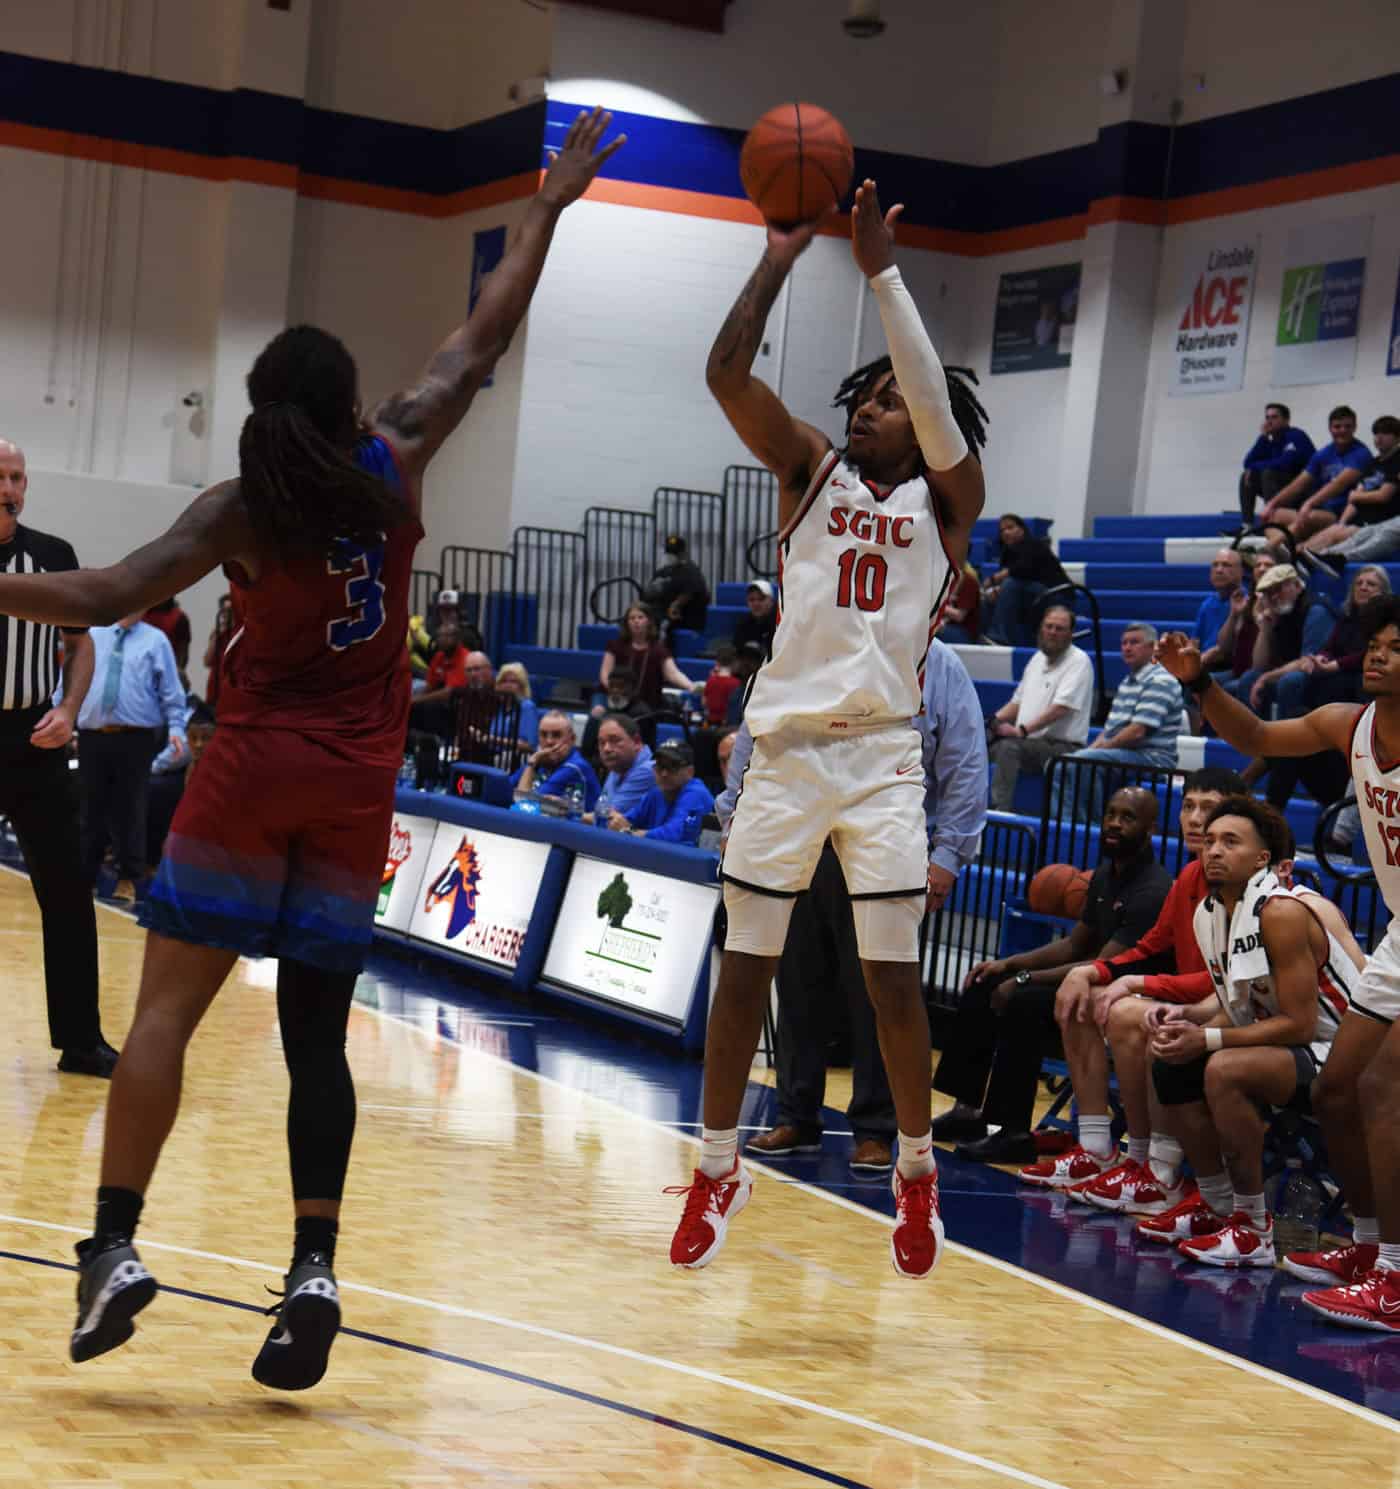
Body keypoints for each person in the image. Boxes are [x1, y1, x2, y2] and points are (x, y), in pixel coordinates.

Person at [0, 110, 623, 1384]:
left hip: (247, 769)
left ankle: (115, 1245)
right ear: (347, 401)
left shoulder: (240, 505)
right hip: (352, 789)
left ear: (255, 407)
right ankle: (313, 1267)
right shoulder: (393, 458)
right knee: (315, 1037)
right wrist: (546, 208)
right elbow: (481, 336)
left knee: (165, 1012)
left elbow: (104, 591)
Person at [668, 177, 988, 1278]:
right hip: (785, 755)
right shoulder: (807, 471)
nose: (868, 407)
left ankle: (912, 1172)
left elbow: (938, 416)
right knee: (742, 968)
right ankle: (716, 1167)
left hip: (880, 758)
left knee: (889, 975)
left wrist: (881, 272)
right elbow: (720, 374)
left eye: (888, 399)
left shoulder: (948, 504)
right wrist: (775, 254)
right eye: (860, 396)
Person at [1155, 599, 1400, 1329]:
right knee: (1338, 1089)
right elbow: (1256, 733)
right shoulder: (1346, 724)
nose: (1378, 654)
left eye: (1396, 646)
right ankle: (1363, 1246)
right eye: (1376, 644)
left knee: (1382, 1090)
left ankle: (1394, 1273)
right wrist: (1199, 685)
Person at [743, 636, 988, 1172]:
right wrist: (737, 815)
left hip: (886, 842)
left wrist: (948, 855)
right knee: (798, 982)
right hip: (799, 837)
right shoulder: (806, 637)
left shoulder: (938, 662)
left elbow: (965, 762)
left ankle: (876, 1128)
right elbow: (756, 733)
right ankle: (795, 1112)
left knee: (881, 993)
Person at [1148, 797, 1362, 1268]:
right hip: (1299, 1046)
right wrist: (1191, 1024)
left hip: (1351, 1052)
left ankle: (1252, 1229)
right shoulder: (1210, 912)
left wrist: (1206, 1040)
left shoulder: (1281, 912)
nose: (1214, 852)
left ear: (1263, 859)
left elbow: (1300, 1024)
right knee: (1170, 1061)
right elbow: (1240, 1010)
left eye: (1230, 842)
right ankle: (1216, 1204)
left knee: (1224, 1069)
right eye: (1208, 843)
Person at [1030, 768, 1246, 1205]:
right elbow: (1151, 945)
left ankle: (1157, 1167)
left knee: (1133, 1012)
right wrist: (1094, 972)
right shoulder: (1188, 877)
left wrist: (1135, 981)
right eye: (1188, 806)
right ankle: (1098, 1149)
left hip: (1235, 1009)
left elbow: (1229, 979)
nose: (1194, 818)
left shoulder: (1244, 887)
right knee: (1082, 996)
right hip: (1196, 997)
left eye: (1208, 807)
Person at [933, 788, 1170, 1165]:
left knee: (1023, 1001)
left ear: (1150, 828)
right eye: (1110, 813)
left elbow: (1102, 966)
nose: (1114, 823)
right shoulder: (1106, 875)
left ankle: (1013, 1132)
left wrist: (1024, 979)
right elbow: (1076, 945)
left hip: (1123, 995)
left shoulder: (1153, 890)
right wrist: (1009, 965)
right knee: (984, 981)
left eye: (1127, 817)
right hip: (1090, 982)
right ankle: (966, 1111)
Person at [0, 438, 110, 1077]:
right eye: (0, 476)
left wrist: (68, 711)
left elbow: (81, 645)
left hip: (34, 741)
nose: (10, 486)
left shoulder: (52, 556)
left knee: (68, 891)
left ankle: (81, 1040)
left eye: (17, 477)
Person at [69, 612, 188, 902]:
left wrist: (177, 728)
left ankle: (129, 878)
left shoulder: (156, 640)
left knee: (131, 809)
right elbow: (70, 679)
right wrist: (63, 714)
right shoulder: (93, 635)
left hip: (135, 737)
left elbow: (171, 692)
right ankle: (85, 877)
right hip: (92, 735)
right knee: (89, 808)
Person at [1261, 565, 1388, 809]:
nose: (1363, 587)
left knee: (1293, 727)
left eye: (1371, 584)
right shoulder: (1346, 620)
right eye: (1359, 582)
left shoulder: (1385, 634)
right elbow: (1329, 646)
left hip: (1356, 747)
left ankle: (1264, 799)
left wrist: (1336, 665)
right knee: (1295, 729)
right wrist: (1321, 658)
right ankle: (1269, 810)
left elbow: (1361, 656)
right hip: (1329, 735)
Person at [1052, 623, 1184, 821]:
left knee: (1085, 763)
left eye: (1134, 642)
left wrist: (1092, 753)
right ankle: (1062, 828)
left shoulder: (1160, 680)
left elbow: (1138, 732)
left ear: (1152, 648)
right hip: (1125, 755)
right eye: (1124, 643)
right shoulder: (1127, 682)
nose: (1127, 647)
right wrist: (1083, 753)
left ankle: (1090, 830)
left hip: (1153, 760)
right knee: (1062, 764)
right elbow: (1109, 732)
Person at [986, 604, 1093, 811]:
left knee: (1009, 748)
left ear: (1070, 634)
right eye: (1049, 626)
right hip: (1030, 743)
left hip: (1061, 747)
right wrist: (990, 722)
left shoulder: (1079, 661)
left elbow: (1061, 708)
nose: (1052, 632)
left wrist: (1021, 730)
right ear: (1041, 628)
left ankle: (1000, 813)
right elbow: (1016, 703)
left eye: (1059, 628)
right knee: (975, 744)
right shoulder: (1037, 659)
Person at [1223, 563, 1332, 714]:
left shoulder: (1316, 610)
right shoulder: (1281, 611)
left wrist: (1266, 677)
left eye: (1279, 588)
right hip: (1287, 672)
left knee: (1290, 681)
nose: (1274, 596)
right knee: (1250, 677)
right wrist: (1265, 627)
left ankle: (1284, 735)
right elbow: (1259, 665)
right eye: (1269, 592)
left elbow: (1308, 662)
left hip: (1319, 675)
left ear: (1297, 586)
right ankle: (1251, 735)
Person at [1258, 405, 1372, 541]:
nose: (1343, 430)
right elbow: (1299, 483)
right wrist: (1271, 504)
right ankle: (1284, 549)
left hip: (1341, 515)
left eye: (1347, 426)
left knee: (1308, 516)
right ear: (1330, 428)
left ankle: (1271, 548)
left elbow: (1338, 484)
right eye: (1337, 427)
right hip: (1319, 511)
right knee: (1271, 515)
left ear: (1355, 428)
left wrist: (1309, 504)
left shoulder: (1361, 454)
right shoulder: (1324, 453)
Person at [1302, 415, 1400, 570]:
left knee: (1336, 535)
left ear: (1397, 437)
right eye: (1376, 434)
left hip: (1378, 519)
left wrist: (1356, 496)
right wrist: (1343, 521)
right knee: (1333, 531)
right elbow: (1353, 499)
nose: (1379, 438)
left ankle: (1306, 560)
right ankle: (1300, 555)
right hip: (1360, 519)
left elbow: (1383, 495)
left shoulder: (1397, 460)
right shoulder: (1373, 463)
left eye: (1385, 433)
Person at [592, 603, 698, 716]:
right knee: (597, 713)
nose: (636, 621)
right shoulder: (615, 645)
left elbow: (673, 674)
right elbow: (605, 674)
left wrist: (690, 686)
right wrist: (616, 692)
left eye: (640, 617)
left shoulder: (659, 650)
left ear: (649, 621)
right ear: (627, 623)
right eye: (632, 618)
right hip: (611, 695)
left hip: (644, 702)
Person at [983, 513, 1068, 646]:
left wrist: (995, 579)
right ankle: (985, 638)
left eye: (1010, 527)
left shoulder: (1034, 544)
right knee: (988, 596)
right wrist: (995, 590)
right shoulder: (1007, 553)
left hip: (1056, 594)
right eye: (1002, 530)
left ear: (1021, 529)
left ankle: (999, 637)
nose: (1005, 532)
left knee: (1010, 585)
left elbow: (1023, 570)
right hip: (1030, 595)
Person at [610, 739, 713, 843]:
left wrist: (631, 832)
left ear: (690, 771)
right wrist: (616, 822)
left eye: (672, 767)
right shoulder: (656, 793)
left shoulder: (696, 793)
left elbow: (674, 834)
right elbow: (626, 821)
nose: (664, 773)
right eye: (660, 766)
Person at [1239, 402, 1315, 527]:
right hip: (1281, 488)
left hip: (1301, 490)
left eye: (1274, 417)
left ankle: (1272, 522)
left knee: (1269, 473)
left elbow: (1286, 463)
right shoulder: (1269, 441)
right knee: (1246, 476)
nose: (1269, 421)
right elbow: (1247, 462)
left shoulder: (1296, 435)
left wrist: (1255, 467)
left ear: (1286, 420)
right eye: (1267, 418)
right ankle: (1247, 525)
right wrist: (1263, 437)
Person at [509, 710, 600, 813]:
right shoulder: (543, 760)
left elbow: (524, 806)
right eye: (543, 735)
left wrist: (531, 763)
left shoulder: (575, 767)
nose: (549, 741)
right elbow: (503, 790)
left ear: (572, 739)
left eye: (556, 735)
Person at [586, 712, 655, 824]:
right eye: (601, 743)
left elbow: (604, 819)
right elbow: (601, 811)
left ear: (636, 742)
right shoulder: (618, 765)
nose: (606, 749)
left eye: (615, 740)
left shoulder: (649, 770)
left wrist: (566, 812)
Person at [643, 534, 710, 638]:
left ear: (683, 553)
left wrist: (676, 604)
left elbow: (691, 591)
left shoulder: (691, 571)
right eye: (669, 552)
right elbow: (649, 593)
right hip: (662, 616)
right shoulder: (663, 571)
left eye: (675, 553)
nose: (671, 556)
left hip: (684, 619)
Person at [1193, 549, 1246, 654]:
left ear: (1241, 572)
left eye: (1226, 565)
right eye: (1215, 565)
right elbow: (1195, 642)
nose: (1219, 570)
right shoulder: (1207, 604)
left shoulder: (1247, 603)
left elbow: (1230, 651)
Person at [142, 598, 192, 688]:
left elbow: (183, 651)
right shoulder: (141, 616)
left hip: (167, 674)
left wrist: (177, 671)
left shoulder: (180, 618)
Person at [937, 560, 982, 644]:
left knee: (931, 633)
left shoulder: (969, 581)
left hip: (963, 631)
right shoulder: (943, 577)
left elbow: (959, 616)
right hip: (946, 624)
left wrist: (937, 606)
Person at [732, 579, 777, 653]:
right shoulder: (744, 623)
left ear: (771, 601)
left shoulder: (780, 623)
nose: (756, 604)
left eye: (761, 599)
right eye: (752, 600)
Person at [703, 643, 741, 725]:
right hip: (726, 725)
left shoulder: (710, 680)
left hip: (709, 723)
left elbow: (704, 702)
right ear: (735, 662)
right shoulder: (736, 683)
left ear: (718, 662)